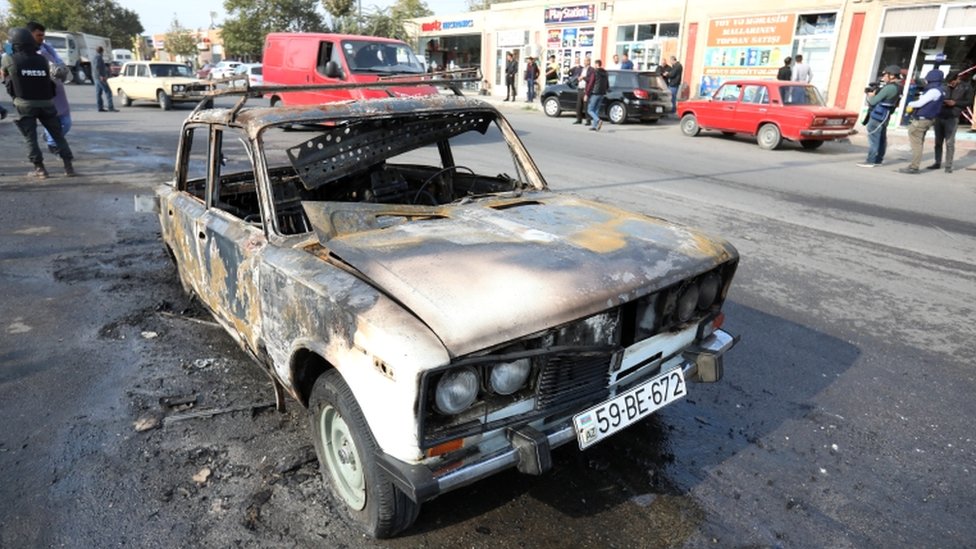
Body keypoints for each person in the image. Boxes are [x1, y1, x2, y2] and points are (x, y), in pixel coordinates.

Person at [2, 27, 75, 178]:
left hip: (25, 104)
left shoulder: (9, 59)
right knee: (58, 136)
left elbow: (5, 76)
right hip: (47, 103)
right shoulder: (41, 59)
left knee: (31, 138)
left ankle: (40, 169)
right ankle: (68, 167)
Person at [27, 22, 71, 154]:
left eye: (42, 35)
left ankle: (49, 138)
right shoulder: (26, 52)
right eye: (38, 35)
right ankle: (52, 144)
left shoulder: (48, 48)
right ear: (29, 35)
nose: (41, 38)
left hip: (57, 88)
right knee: (51, 120)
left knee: (66, 122)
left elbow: (58, 63)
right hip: (43, 93)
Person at [899, 69, 946, 174]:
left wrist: (910, 103)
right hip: (928, 119)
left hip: (922, 119)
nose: (925, 80)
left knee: (916, 143)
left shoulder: (934, 91)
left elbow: (920, 103)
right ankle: (914, 165)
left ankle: (914, 166)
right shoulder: (940, 90)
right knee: (918, 142)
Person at [857, 65, 902, 168]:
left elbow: (873, 101)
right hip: (885, 116)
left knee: (874, 139)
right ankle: (878, 160)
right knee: (881, 139)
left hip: (878, 116)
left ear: (892, 76)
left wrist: (870, 95)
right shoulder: (898, 87)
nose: (883, 77)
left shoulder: (889, 88)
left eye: (885, 75)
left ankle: (870, 161)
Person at [929, 71, 973, 173]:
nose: (951, 83)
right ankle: (937, 162)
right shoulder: (944, 86)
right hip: (940, 115)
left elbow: (969, 102)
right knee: (938, 141)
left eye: (953, 81)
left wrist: (955, 103)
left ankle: (948, 166)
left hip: (953, 117)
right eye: (949, 82)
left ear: (958, 79)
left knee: (949, 142)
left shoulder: (966, 87)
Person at [584, 59, 609, 131]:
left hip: (595, 92)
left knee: (590, 110)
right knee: (596, 110)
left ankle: (598, 121)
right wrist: (606, 90)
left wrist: (586, 93)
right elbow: (607, 83)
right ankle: (595, 126)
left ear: (596, 64)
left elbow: (591, 83)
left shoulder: (594, 72)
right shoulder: (605, 72)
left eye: (595, 64)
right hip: (602, 93)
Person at [93, 46, 116, 112]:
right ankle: (110, 107)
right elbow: (97, 67)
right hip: (100, 78)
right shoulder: (98, 57)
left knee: (98, 93)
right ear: (102, 51)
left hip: (96, 77)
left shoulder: (95, 57)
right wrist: (101, 76)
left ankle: (100, 107)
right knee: (108, 91)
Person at [573, 56, 592, 125]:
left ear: (589, 62)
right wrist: (578, 79)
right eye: (584, 61)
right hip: (580, 88)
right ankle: (578, 119)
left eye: (586, 61)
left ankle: (588, 120)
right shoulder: (582, 69)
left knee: (586, 105)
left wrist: (583, 78)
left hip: (585, 89)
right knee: (579, 105)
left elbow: (590, 80)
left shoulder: (591, 69)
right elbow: (579, 76)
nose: (584, 62)